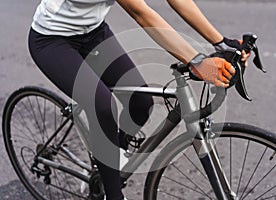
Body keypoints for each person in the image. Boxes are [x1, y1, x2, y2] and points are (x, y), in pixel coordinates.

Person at [28, 0, 249, 199]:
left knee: (141, 104)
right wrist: (198, 61)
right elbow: (141, 13)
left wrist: (222, 43)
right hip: (52, 40)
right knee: (103, 106)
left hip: (93, 33)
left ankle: (111, 159)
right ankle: (112, 194)